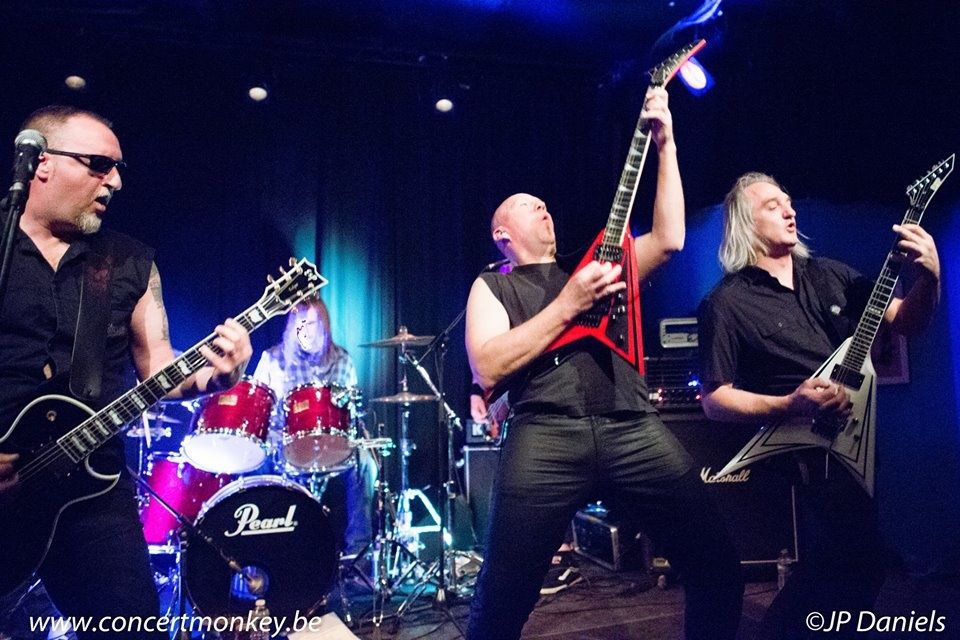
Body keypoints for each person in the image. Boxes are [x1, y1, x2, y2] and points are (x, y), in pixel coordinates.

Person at [464, 87, 743, 640]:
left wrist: (666, 146)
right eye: (527, 204)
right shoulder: (493, 286)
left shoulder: (598, 267)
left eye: (544, 203)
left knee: (718, 569)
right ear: (502, 233)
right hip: (545, 434)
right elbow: (488, 367)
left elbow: (669, 238)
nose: (543, 207)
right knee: (500, 603)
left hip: (632, 426)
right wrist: (569, 305)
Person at [0, 106, 252, 638]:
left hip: (91, 490)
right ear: (41, 163)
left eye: (117, 168)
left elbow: (159, 367)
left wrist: (218, 378)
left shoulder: (127, 262)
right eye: (98, 164)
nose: (114, 181)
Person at [697, 172, 940, 639]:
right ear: (745, 223)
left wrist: (930, 276)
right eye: (773, 205)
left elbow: (906, 321)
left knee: (860, 566)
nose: (790, 210)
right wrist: (789, 403)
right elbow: (714, 400)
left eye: (789, 202)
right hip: (798, 456)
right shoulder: (726, 304)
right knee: (841, 560)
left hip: (858, 440)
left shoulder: (832, 275)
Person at [252, 295, 376, 560]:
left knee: (366, 463)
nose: (307, 331)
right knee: (255, 460)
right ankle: (263, 550)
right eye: (301, 325)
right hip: (283, 444)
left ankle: (358, 554)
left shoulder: (342, 361)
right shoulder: (272, 359)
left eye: (313, 324)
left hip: (331, 444)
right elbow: (259, 411)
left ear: (325, 326)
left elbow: (352, 418)